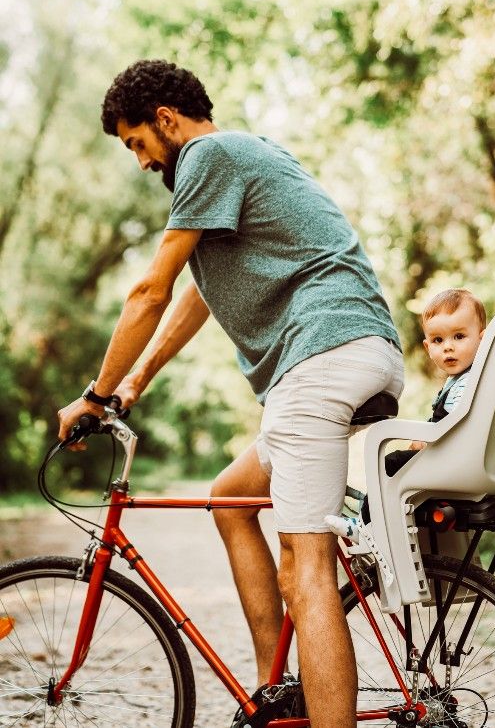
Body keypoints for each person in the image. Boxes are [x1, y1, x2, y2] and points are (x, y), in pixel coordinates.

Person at [57, 60, 404, 728]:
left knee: (308, 568)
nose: (138, 162)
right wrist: (134, 384)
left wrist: (93, 396)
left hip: (322, 359)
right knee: (230, 499)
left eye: (136, 143)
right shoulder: (236, 162)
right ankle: (282, 699)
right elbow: (195, 298)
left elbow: (149, 291)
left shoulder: (208, 155)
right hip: (347, 355)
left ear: (165, 120)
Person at [326, 287, 485, 545]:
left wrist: (430, 440)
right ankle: (385, 523)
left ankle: (365, 529)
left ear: (482, 338)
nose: (448, 348)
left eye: (459, 336)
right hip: (456, 459)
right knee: (400, 470)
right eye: (438, 341)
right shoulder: (465, 379)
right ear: (427, 346)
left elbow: (458, 423)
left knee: (390, 464)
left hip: (451, 460)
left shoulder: (467, 383)